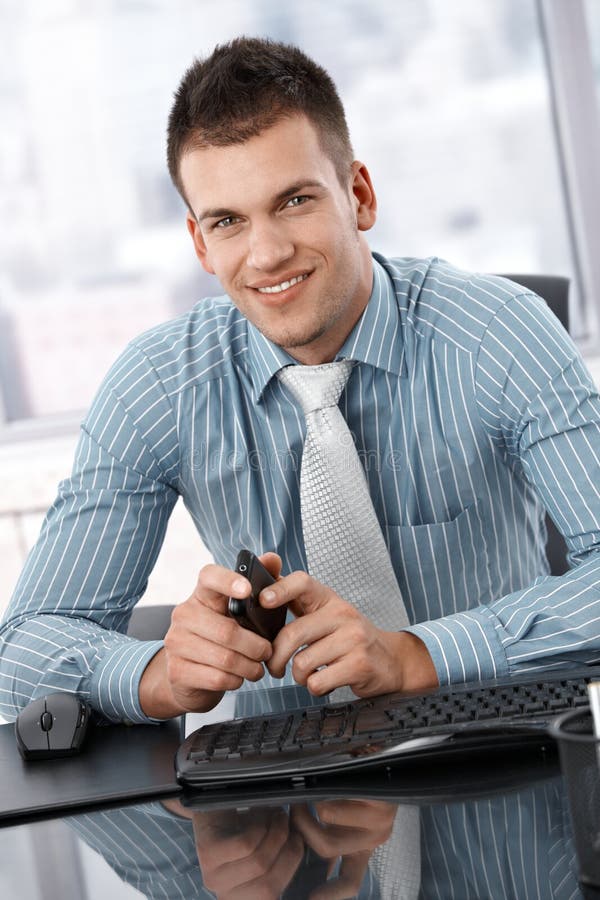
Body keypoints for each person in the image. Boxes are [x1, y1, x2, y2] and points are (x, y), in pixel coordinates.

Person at [1, 37, 599, 726]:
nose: (267, 253)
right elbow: (20, 651)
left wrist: (415, 655)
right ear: (200, 243)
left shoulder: (498, 333)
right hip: (286, 790)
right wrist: (156, 675)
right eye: (228, 221)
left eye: (293, 201)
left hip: (504, 761)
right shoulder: (157, 385)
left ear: (359, 195)